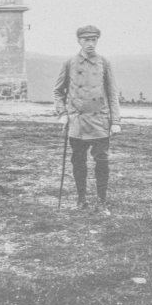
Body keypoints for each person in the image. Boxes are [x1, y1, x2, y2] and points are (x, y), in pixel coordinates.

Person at [53, 25, 121, 214]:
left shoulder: (104, 63)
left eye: (94, 39)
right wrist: (62, 114)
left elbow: (112, 93)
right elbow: (58, 92)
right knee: (78, 161)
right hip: (77, 122)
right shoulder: (69, 63)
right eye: (86, 40)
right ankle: (81, 199)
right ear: (79, 41)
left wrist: (115, 121)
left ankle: (102, 201)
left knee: (102, 161)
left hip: (100, 121)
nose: (90, 43)